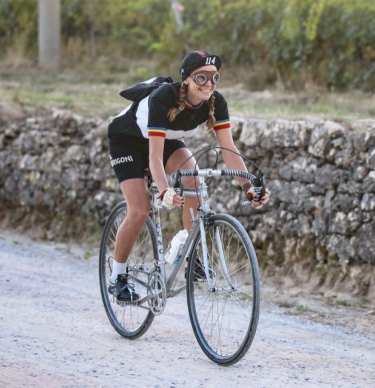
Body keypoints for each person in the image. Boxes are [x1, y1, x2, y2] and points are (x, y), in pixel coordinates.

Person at [106, 51, 270, 302]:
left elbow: (229, 150)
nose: (209, 84)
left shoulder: (216, 102)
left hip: (166, 140)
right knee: (140, 209)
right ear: (186, 80)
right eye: (201, 78)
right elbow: (154, 156)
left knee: (192, 177)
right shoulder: (164, 98)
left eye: (215, 78)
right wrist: (164, 190)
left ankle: (190, 258)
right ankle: (117, 277)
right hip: (128, 141)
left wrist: (248, 187)